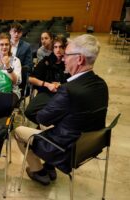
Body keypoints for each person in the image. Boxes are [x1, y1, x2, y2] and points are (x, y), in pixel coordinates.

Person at [14, 34, 108, 186]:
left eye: (67, 55)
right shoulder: (101, 84)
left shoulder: (69, 90)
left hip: (65, 149)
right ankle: (49, 166)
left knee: (18, 131)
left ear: (80, 59)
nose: (63, 59)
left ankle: (39, 171)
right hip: (90, 145)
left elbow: (42, 118)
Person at [24, 36, 69, 124]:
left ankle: (56, 126)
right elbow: (31, 79)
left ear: (65, 48)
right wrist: (47, 84)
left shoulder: (69, 62)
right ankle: (46, 125)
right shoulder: (46, 61)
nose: (58, 50)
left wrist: (61, 85)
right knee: (29, 111)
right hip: (47, 92)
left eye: (61, 47)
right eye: (55, 47)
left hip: (64, 93)